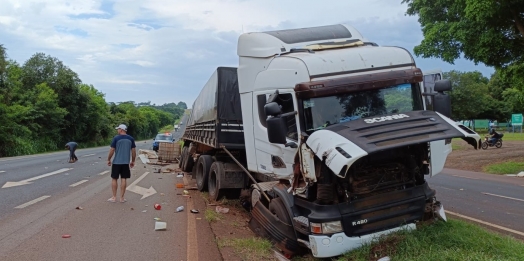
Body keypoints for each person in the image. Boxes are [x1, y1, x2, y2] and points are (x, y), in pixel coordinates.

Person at [107, 124, 136, 203]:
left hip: (116, 162)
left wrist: (109, 159)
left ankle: (114, 197)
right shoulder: (131, 139)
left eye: (118, 129)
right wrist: (133, 161)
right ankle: (122, 198)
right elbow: (133, 151)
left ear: (121, 130)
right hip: (125, 163)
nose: (117, 130)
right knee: (124, 179)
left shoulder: (116, 138)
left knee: (114, 178)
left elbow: (112, 150)